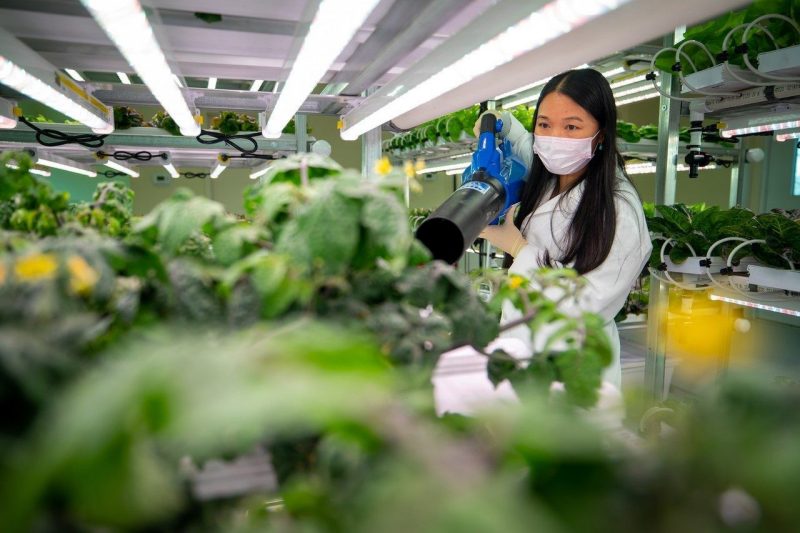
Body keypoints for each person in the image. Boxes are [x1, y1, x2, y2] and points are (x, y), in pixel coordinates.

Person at [478, 68, 652, 389]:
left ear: (600, 135)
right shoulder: (552, 180)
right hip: (522, 354)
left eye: (572, 126)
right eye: (544, 124)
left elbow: (580, 310)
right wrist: (501, 122)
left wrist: (519, 250)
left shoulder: (618, 210)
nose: (555, 138)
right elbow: (528, 146)